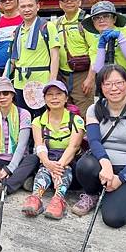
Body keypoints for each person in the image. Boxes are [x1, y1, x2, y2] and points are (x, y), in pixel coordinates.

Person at [72, 64, 126, 228]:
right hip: (104, 164)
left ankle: (118, 193)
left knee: (113, 218)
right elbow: (94, 141)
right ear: (101, 87)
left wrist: (121, 178)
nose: (114, 88)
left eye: (119, 83)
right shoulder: (94, 109)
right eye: (107, 84)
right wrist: (105, 164)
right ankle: (92, 194)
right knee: (84, 165)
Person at [21, 80, 85, 219]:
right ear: (44, 99)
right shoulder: (38, 121)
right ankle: (36, 197)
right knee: (43, 168)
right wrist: (48, 163)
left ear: (66, 97)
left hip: (69, 162)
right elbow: (40, 145)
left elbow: (73, 147)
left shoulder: (76, 120)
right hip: (49, 159)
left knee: (64, 168)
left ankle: (58, 199)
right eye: (49, 95)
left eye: (58, 94)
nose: (54, 98)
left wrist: (58, 167)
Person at [82, 1, 126, 113]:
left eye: (106, 16)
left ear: (114, 19)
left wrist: (120, 38)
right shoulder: (95, 45)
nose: (101, 20)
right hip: (116, 95)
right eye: (97, 18)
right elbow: (98, 70)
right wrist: (101, 46)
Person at [7, 0, 60, 117]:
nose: (27, 9)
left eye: (30, 6)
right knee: (23, 118)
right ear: (18, 8)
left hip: (41, 81)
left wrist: (53, 81)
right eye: (23, 6)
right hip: (20, 82)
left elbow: (55, 55)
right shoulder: (18, 30)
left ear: (38, 6)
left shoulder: (47, 27)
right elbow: (14, 59)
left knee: (43, 118)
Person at [54, 0, 97, 115]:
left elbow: (95, 51)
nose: (69, 3)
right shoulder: (57, 23)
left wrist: (90, 78)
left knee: (84, 112)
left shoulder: (87, 21)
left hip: (82, 75)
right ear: (60, 4)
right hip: (62, 75)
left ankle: (87, 135)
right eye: (65, 0)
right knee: (65, 112)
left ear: (79, 1)